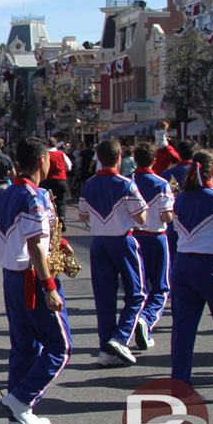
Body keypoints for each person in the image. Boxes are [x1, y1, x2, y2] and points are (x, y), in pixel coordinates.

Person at [0, 136, 72, 424]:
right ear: (41, 161)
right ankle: (21, 400)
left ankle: (18, 417)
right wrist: (49, 284)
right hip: (31, 278)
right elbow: (35, 245)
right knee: (60, 346)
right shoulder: (33, 196)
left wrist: (57, 244)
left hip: (12, 275)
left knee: (24, 346)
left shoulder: (6, 195)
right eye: (49, 158)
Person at [78, 139, 148, 367]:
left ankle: (105, 349)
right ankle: (120, 338)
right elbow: (141, 217)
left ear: (98, 157)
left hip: (99, 242)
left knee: (104, 299)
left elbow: (82, 215)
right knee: (136, 294)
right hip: (122, 240)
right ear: (119, 158)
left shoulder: (89, 184)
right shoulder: (126, 184)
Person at [170, 149, 213, 386]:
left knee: (182, 330)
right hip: (211, 265)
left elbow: (177, 231)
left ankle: (180, 383)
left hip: (182, 264)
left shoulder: (181, 198)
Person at [130, 142, 174, 350]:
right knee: (161, 286)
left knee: (139, 285)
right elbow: (166, 215)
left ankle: (136, 321)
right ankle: (146, 320)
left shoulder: (127, 181)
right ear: (154, 159)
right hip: (155, 237)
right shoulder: (161, 183)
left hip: (133, 237)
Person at [44, 137, 72, 232]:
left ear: (47, 144)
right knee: (61, 201)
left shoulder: (45, 154)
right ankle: (62, 219)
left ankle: (48, 220)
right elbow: (69, 167)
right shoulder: (61, 154)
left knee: (46, 201)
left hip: (47, 180)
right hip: (60, 180)